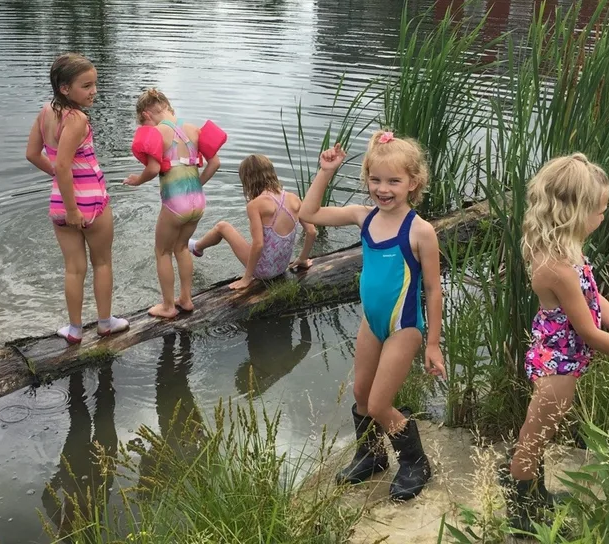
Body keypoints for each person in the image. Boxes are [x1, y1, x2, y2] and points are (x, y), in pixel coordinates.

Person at [505, 153, 609, 530]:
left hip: (560, 354)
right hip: (558, 363)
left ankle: (530, 488)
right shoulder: (556, 267)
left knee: (540, 430)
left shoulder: (564, 249)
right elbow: (588, 332)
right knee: (536, 435)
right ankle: (524, 509)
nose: (603, 216)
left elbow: (594, 299)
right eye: (600, 210)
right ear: (575, 212)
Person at [299, 131, 446, 502]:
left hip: (404, 327)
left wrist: (433, 344)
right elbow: (308, 213)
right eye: (375, 179)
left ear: (413, 183)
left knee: (380, 404)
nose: (383, 188)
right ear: (366, 179)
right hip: (372, 322)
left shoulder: (421, 231)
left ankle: (415, 463)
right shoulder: (363, 217)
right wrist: (326, 171)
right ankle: (372, 456)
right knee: (362, 394)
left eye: (394, 181)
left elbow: (432, 289)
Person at [25, 53, 128, 344]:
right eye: (86, 85)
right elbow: (62, 165)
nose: (94, 90)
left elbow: (33, 154)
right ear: (65, 88)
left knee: (73, 268)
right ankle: (106, 324)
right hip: (90, 203)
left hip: (60, 203)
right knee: (103, 263)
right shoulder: (78, 119)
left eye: (94, 84)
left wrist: (62, 191)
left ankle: (74, 330)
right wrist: (74, 208)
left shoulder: (45, 113)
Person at [124, 89, 224, 319]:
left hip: (175, 203)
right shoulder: (193, 129)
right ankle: (186, 299)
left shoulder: (158, 133)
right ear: (168, 107)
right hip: (197, 201)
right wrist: (197, 184)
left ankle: (168, 306)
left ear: (146, 115)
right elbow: (215, 163)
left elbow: (153, 169)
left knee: (162, 251)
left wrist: (136, 181)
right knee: (181, 247)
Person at [190, 154, 316, 290]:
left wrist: (247, 278)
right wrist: (302, 258)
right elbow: (312, 231)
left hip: (263, 272)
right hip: (281, 267)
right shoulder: (294, 198)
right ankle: (197, 247)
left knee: (222, 226)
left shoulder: (255, 205)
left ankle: (197, 248)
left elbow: (258, 244)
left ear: (248, 179)